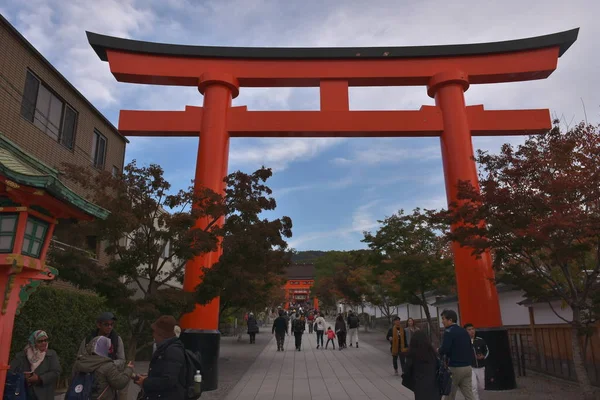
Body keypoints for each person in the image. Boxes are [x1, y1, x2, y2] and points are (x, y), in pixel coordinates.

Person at [134, 315, 186, 399]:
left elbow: (169, 381)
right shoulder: (165, 348)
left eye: (154, 331)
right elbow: (164, 373)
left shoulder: (173, 351)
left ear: (161, 334)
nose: (153, 335)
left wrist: (145, 382)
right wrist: (150, 376)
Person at [9, 330, 61, 400]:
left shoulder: (51, 354)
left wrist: (39, 379)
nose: (44, 343)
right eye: (40, 341)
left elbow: (56, 372)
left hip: (44, 394)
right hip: (24, 393)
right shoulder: (21, 356)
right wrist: (23, 376)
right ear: (33, 342)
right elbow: (10, 371)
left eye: (45, 340)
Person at [438, 310, 475, 400]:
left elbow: (445, 349)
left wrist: (439, 350)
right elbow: (470, 347)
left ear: (450, 320)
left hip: (454, 367)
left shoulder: (449, 332)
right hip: (467, 367)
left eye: (443, 319)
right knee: (469, 394)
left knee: (449, 394)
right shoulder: (464, 331)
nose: (442, 321)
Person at [403, 330, 441, 400]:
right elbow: (438, 366)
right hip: (434, 384)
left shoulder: (412, 354)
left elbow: (406, 370)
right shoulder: (432, 353)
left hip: (419, 385)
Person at [464, 323, 489, 400]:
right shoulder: (463, 342)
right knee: (473, 387)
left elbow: (487, 351)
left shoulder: (480, 340)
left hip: (480, 367)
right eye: (469, 330)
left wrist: (483, 356)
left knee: (481, 387)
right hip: (469, 367)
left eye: (472, 329)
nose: (471, 331)